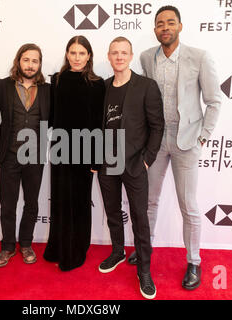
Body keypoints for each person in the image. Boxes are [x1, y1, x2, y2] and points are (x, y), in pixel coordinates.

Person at [129, 5, 222, 290]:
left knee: (188, 205)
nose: (165, 27)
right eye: (160, 24)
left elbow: (214, 100)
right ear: (155, 29)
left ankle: (193, 260)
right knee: (149, 202)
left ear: (180, 26)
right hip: (155, 140)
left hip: (187, 141)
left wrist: (203, 137)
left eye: (170, 22)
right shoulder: (146, 58)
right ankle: (146, 248)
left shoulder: (200, 57)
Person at [96, 37, 164, 299]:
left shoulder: (146, 86)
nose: (119, 57)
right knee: (113, 211)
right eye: (115, 53)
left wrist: (147, 158)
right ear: (109, 57)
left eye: (124, 52)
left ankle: (144, 270)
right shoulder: (102, 88)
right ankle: (117, 251)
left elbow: (157, 126)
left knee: (139, 217)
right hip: (106, 164)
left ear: (131, 55)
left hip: (135, 163)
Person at [43, 35, 105, 271]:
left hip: (85, 151)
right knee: (59, 201)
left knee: (79, 202)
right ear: (67, 54)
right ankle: (57, 247)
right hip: (60, 150)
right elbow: (53, 118)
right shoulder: (57, 80)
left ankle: (76, 251)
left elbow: (99, 123)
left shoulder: (97, 83)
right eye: (73, 52)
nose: (77, 57)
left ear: (89, 56)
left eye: (82, 53)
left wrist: (96, 159)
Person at [0, 44, 50, 267]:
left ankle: (26, 243)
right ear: (18, 61)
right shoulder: (2, 86)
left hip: (35, 157)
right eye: (26, 60)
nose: (30, 65)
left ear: (39, 64)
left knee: (32, 203)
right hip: (10, 155)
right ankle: (7, 247)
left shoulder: (47, 90)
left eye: (35, 61)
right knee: (8, 204)